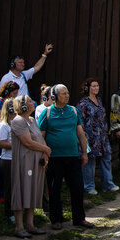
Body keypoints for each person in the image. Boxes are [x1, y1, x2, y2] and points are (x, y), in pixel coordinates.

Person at [37, 84, 92, 230]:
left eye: (67, 93)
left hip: (72, 156)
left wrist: (84, 152)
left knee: (77, 187)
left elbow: (80, 133)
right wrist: (45, 152)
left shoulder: (74, 111)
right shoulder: (47, 113)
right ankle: (56, 219)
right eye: (63, 93)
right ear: (54, 96)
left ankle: (79, 218)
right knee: (54, 189)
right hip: (54, 157)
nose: (67, 96)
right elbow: (41, 136)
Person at [10, 95, 50, 239]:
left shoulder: (32, 120)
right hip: (24, 160)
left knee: (32, 189)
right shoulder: (18, 121)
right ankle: (19, 227)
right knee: (22, 189)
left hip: (36, 160)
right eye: (28, 101)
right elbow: (27, 142)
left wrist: (45, 152)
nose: (32, 103)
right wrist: (45, 149)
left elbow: (40, 138)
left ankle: (30, 224)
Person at [78, 78, 117, 195]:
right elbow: (80, 120)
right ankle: (89, 186)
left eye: (97, 86)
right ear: (87, 88)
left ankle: (108, 183)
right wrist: (82, 137)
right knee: (90, 160)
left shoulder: (99, 100)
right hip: (90, 136)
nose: (96, 88)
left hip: (102, 135)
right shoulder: (83, 103)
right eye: (93, 86)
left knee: (106, 157)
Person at [0, 99, 16, 224]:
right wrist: (17, 146)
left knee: (16, 187)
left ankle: (16, 210)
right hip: (7, 160)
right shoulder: (4, 125)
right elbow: (2, 143)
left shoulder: (14, 123)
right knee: (9, 187)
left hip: (16, 158)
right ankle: (9, 212)